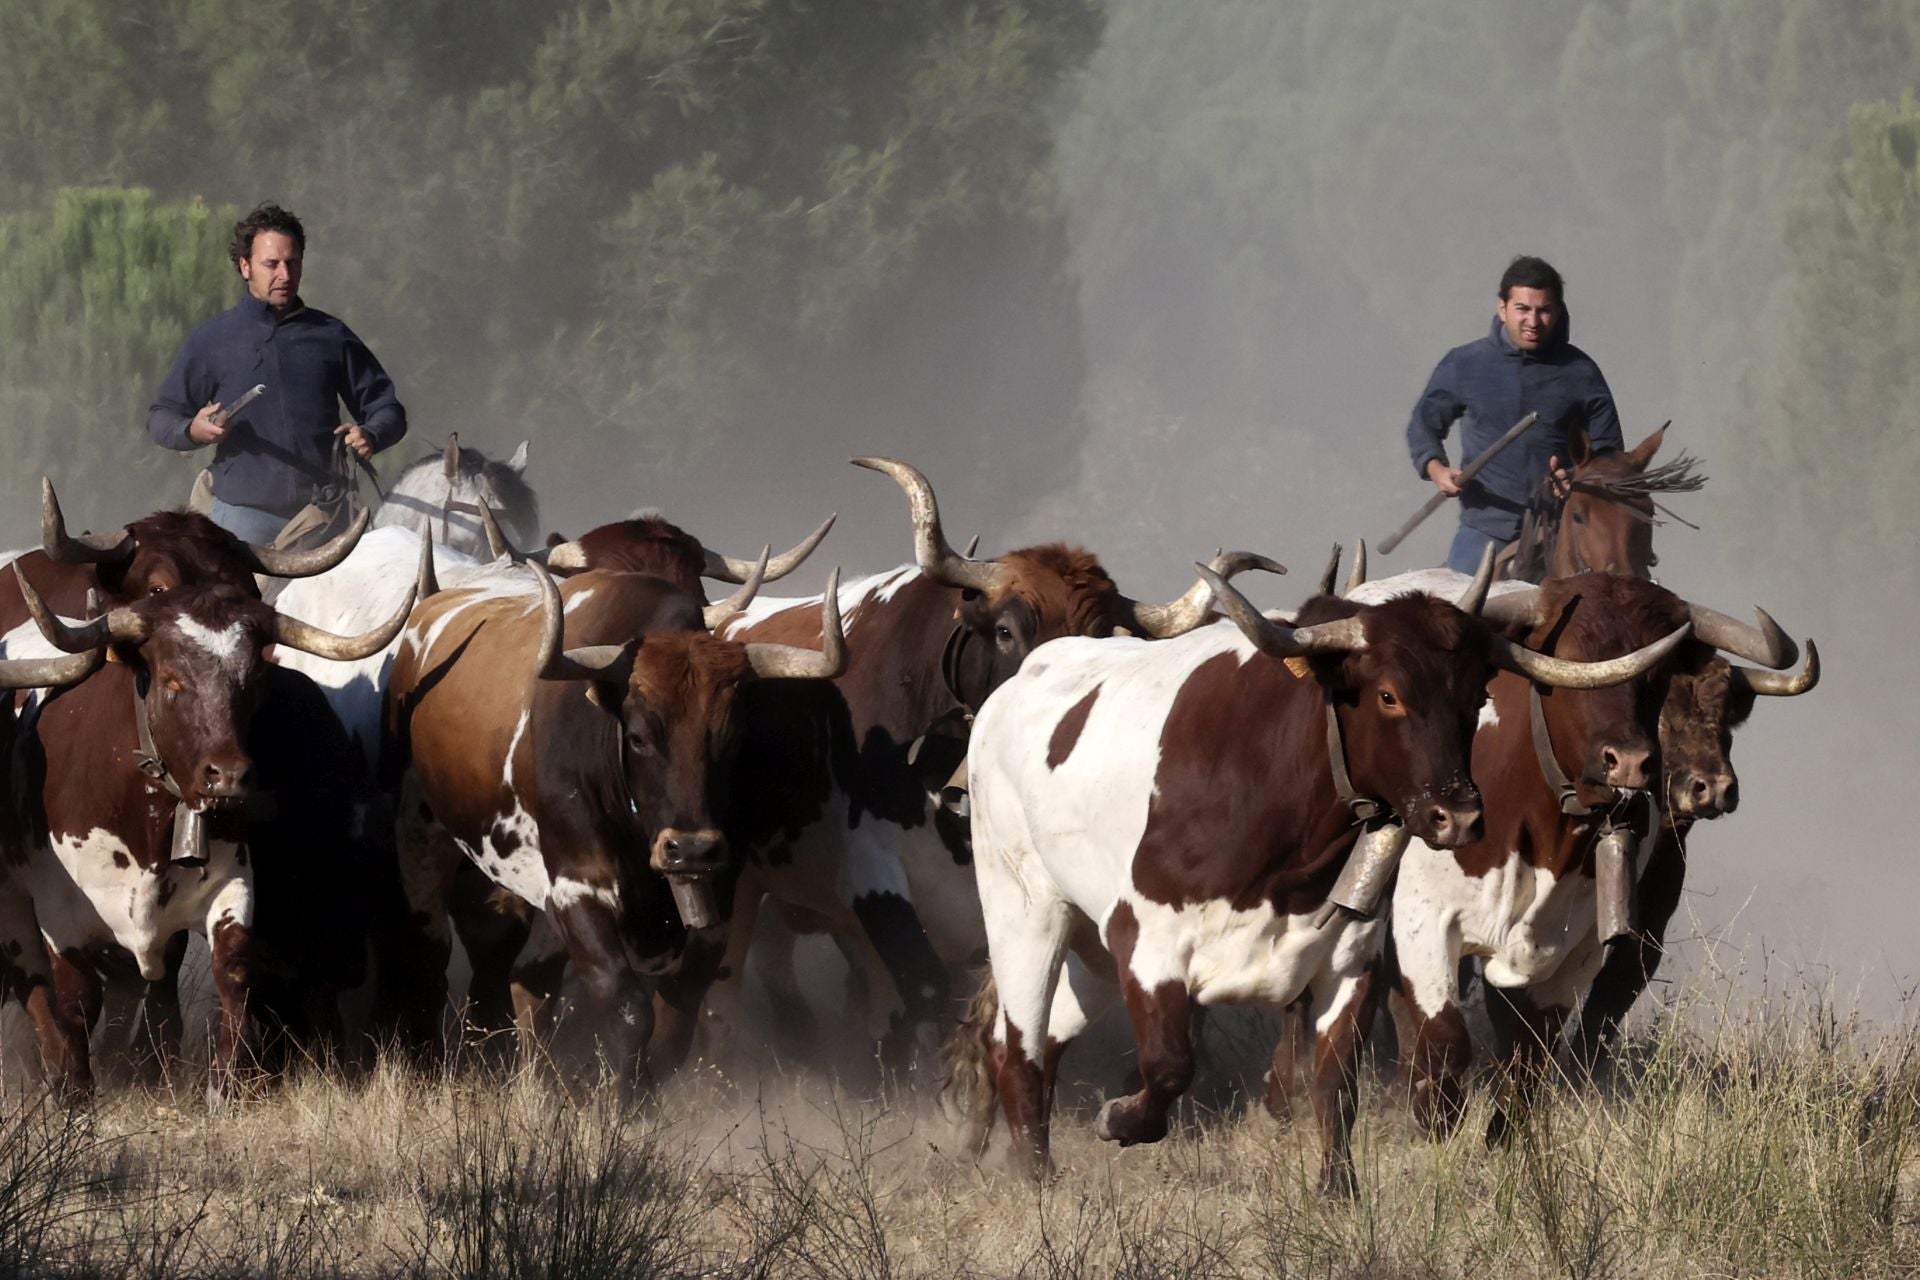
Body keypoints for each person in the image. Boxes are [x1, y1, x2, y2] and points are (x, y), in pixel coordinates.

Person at [149, 204, 406, 544]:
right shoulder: (213, 339)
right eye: (271, 264)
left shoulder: (330, 334)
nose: (285, 275)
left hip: (323, 518)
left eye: (293, 262)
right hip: (242, 522)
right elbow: (161, 416)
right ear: (245, 266)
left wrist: (371, 433)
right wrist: (192, 430)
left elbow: (388, 409)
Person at [1405, 256, 1621, 573]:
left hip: (1562, 534)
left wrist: (1576, 479)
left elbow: (1611, 455)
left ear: (1558, 312)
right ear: (1502, 308)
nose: (1533, 321)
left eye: (1543, 310)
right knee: (1455, 619)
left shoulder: (1582, 373)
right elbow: (1423, 426)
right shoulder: (1465, 363)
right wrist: (1436, 468)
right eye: (1523, 309)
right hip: (1484, 531)